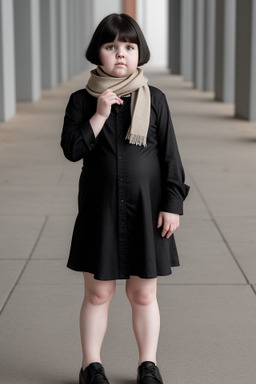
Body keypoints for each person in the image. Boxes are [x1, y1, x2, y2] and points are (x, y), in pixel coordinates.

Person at [61, 13, 189, 384]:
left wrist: (173, 204)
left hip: (147, 212)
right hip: (100, 212)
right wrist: (99, 114)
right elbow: (72, 149)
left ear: (139, 53)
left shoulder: (156, 100)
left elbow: (170, 158)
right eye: (111, 46)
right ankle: (91, 366)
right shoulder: (81, 101)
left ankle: (148, 365)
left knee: (143, 293)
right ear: (97, 53)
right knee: (99, 294)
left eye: (129, 47)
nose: (121, 54)